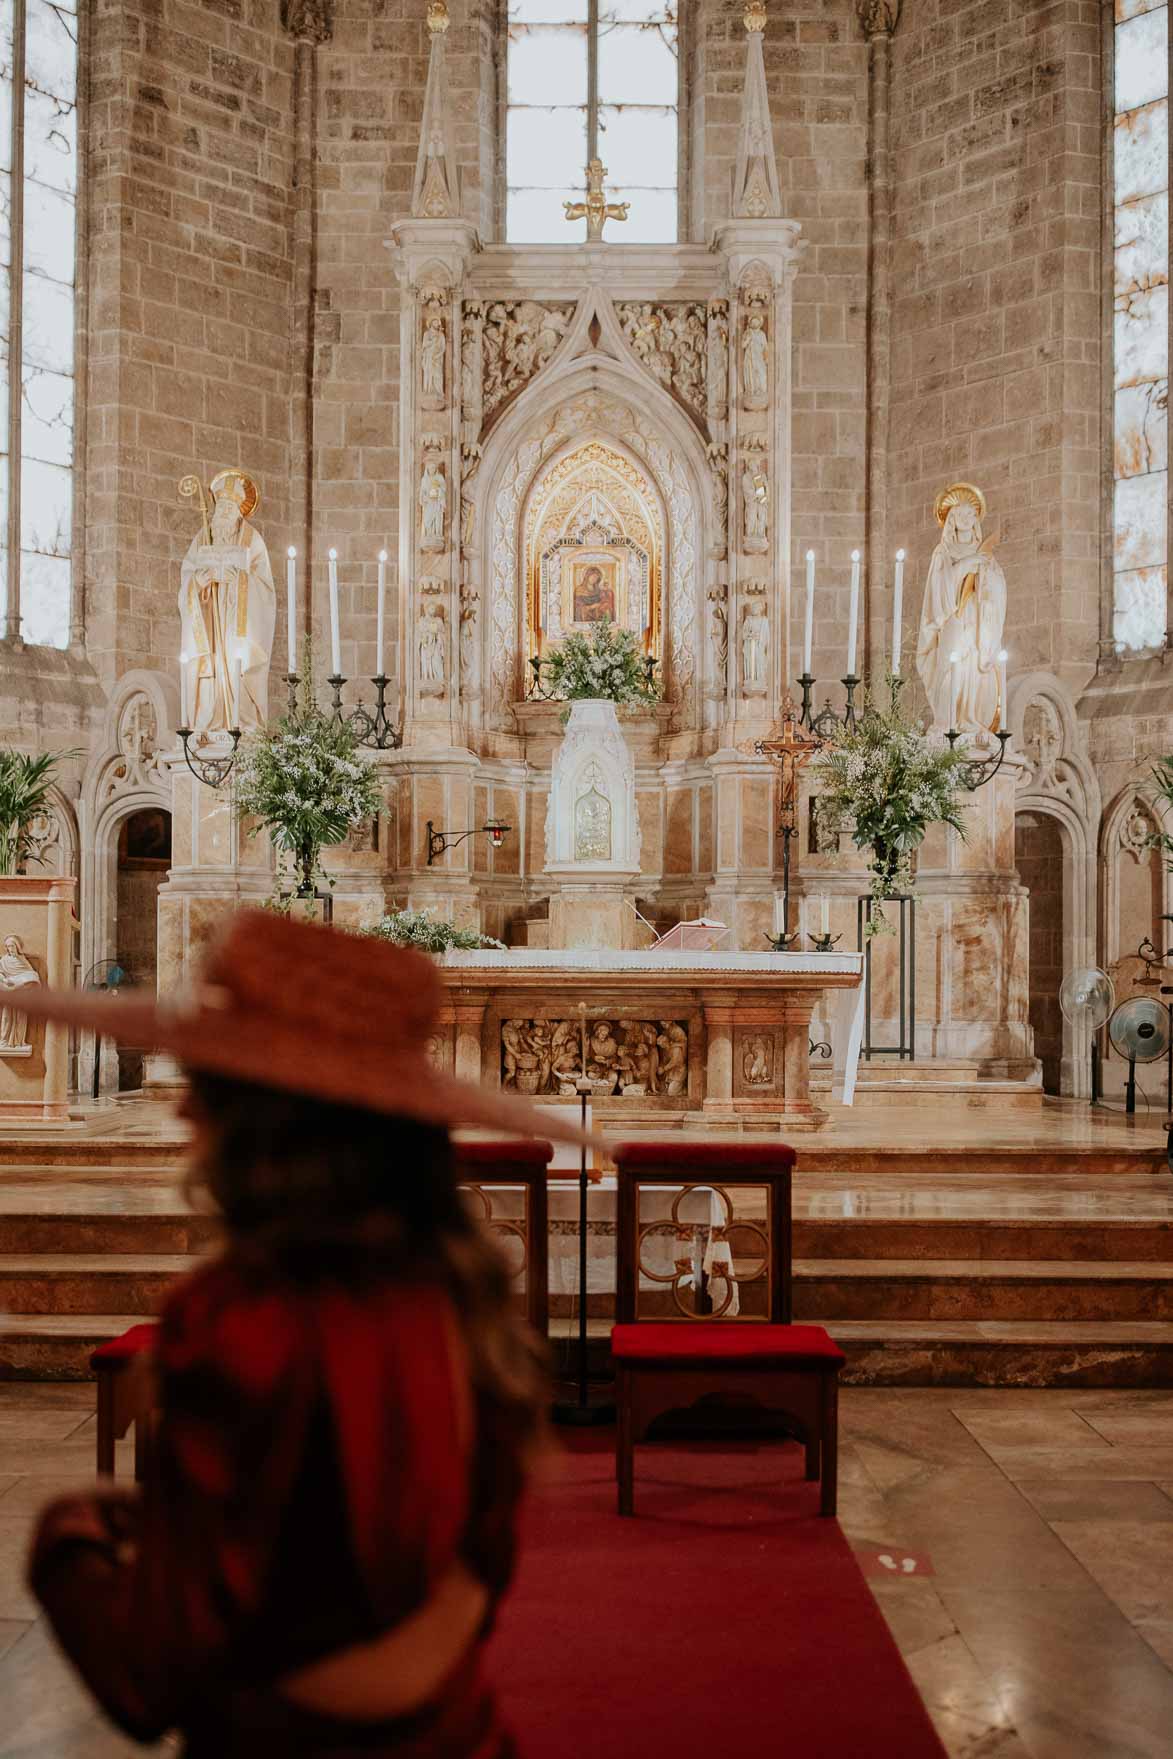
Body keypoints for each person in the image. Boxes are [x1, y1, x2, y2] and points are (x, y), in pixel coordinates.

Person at [22, 910, 590, 1758]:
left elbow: (150, 1674)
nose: (183, 1109)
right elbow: (466, 1568)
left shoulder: (242, 1324)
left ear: (265, 1129)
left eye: (209, 1082)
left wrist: (67, 1539)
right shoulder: (460, 1301)